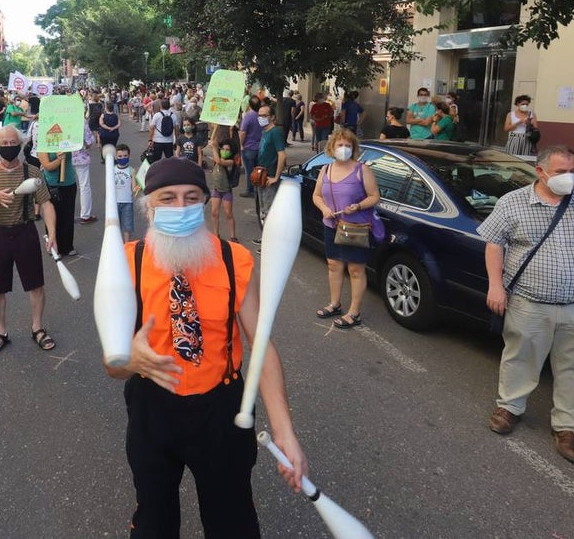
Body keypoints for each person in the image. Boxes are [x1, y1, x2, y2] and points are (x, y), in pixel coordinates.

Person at [106, 157, 307, 537]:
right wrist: (129, 360)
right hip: (152, 408)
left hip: (221, 411)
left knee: (233, 522)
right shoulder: (127, 262)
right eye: (168, 198)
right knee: (153, 523)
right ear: (149, 206)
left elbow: (262, 345)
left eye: (191, 197)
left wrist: (284, 431)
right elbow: (112, 365)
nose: (180, 207)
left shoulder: (234, 259)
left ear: (204, 202)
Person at [479, 144, 574, 464]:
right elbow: (494, 245)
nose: (569, 177)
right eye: (561, 172)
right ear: (541, 172)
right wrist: (495, 286)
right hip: (529, 302)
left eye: (573, 171)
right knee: (520, 356)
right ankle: (510, 407)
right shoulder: (512, 202)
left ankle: (569, 426)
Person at [0, 126, 60, 357]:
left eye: (13, 143)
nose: (9, 147)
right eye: (4, 143)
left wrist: (52, 232)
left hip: (25, 231)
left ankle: (37, 328)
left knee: (36, 285)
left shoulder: (32, 171)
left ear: (20, 145)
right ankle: (1, 333)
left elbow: (46, 204)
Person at [310, 129, 379, 329]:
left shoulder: (362, 170)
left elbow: (374, 196)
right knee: (333, 265)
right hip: (331, 225)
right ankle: (335, 304)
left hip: (355, 227)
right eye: (340, 145)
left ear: (354, 148)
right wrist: (325, 209)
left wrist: (358, 206)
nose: (344, 148)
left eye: (348, 145)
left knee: (355, 269)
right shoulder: (326, 170)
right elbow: (316, 195)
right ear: (332, 148)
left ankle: (354, 313)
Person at [39, 146, 77, 256]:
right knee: (53, 216)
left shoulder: (67, 143)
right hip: (53, 185)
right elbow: (47, 166)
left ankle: (68, 246)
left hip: (69, 183)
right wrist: (59, 160)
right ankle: (54, 246)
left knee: (68, 215)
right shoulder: (44, 144)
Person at [255, 105, 287, 219]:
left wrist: (276, 177)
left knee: (269, 211)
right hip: (261, 175)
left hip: (270, 176)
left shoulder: (275, 132)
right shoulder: (265, 131)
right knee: (263, 209)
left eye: (264, 115)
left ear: (272, 117)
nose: (261, 118)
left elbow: (282, 155)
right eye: (259, 115)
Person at [206, 136, 240, 242]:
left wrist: (214, 148)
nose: (224, 151)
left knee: (228, 213)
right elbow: (216, 159)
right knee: (214, 212)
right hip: (216, 189)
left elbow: (219, 161)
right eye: (223, 149)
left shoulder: (231, 162)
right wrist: (214, 146)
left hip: (226, 190)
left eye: (227, 150)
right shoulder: (217, 157)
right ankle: (216, 234)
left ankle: (233, 236)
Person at [237, 96, 263, 198]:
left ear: (249, 105)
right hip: (260, 146)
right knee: (258, 169)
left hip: (249, 147)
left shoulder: (248, 116)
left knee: (249, 170)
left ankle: (250, 190)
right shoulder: (262, 116)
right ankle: (258, 189)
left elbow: (243, 132)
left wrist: (241, 144)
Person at [74, 121, 98, 225]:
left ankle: (65, 214)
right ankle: (85, 215)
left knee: (65, 187)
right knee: (84, 186)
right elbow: (89, 142)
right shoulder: (81, 120)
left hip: (62, 158)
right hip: (80, 157)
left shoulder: (60, 118)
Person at [113, 143, 138, 242]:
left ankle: (127, 245)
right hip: (114, 202)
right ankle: (117, 244)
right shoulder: (112, 169)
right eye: (119, 156)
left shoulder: (131, 170)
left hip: (127, 202)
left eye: (125, 156)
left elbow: (134, 188)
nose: (122, 158)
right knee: (114, 226)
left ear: (129, 156)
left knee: (127, 226)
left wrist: (139, 187)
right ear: (115, 157)